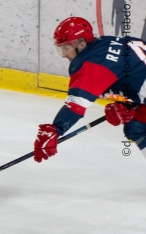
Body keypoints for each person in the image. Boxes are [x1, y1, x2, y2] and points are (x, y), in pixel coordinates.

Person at [34, 17, 146, 162]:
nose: (63, 54)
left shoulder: (92, 64)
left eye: (66, 48)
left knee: (138, 127)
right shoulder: (105, 42)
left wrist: (55, 130)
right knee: (137, 126)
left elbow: (76, 105)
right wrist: (129, 104)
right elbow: (133, 71)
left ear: (81, 44)